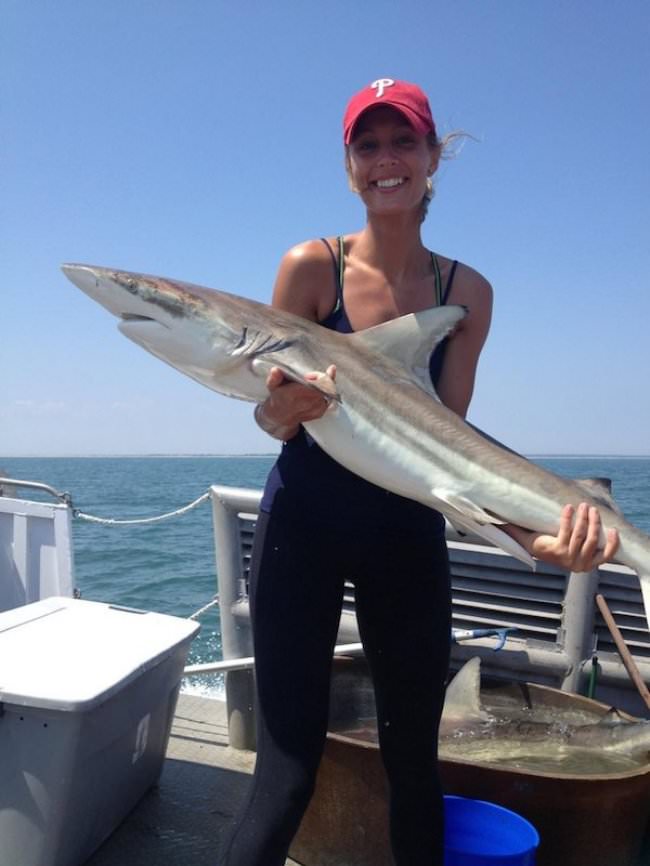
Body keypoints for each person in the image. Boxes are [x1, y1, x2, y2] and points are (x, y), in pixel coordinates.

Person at [220, 78, 620, 866]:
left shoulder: (464, 295)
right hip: (303, 521)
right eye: (367, 146)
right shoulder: (310, 269)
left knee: (413, 767)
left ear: (434, 158)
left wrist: (535, 541)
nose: (386, 160)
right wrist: (282, 411)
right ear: (349, 167)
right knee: (288, 772)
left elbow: (453, 449)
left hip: (405, 532)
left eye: (403, 141)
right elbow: (268, 417)